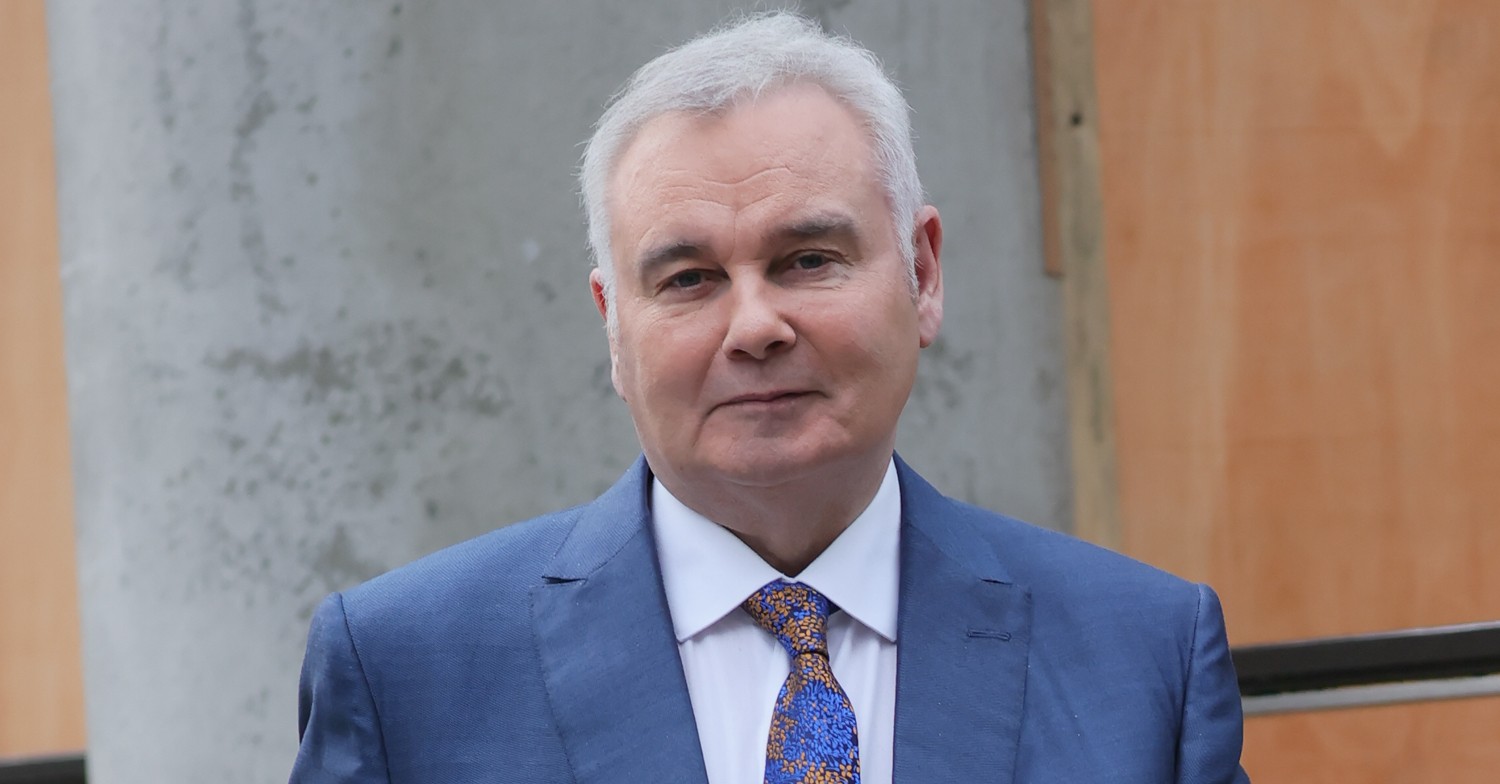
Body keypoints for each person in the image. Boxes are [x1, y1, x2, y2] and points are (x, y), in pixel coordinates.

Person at [290, 12, 1249, 784]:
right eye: (688, 280)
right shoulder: (407, 674)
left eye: (808, 260)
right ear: (611, 326)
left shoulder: (1145, 661)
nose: (755, 326)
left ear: (922, 273)